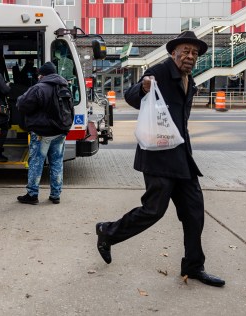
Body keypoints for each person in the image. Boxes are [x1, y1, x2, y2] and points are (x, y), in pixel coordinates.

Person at [95, 31, 226, 288]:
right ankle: (107, 232)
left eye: (195, 53)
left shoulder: (190, 79)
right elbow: (132, 96)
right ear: (173, 52)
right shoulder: (159, 71)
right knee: (154, 210)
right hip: (159, 158)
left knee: (194, 212)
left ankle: (194, 266)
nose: (190, 56)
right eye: (186, 51)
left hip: (182, 158)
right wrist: (142, 87)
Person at [16, 62, 71, 205]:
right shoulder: (64, 87)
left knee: (36, 162)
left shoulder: (38, 88)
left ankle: (32, 195)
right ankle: (55, 195)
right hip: (60, 132)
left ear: (42, 74)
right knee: (57, 162)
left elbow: (22, 105)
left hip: (42, 132)